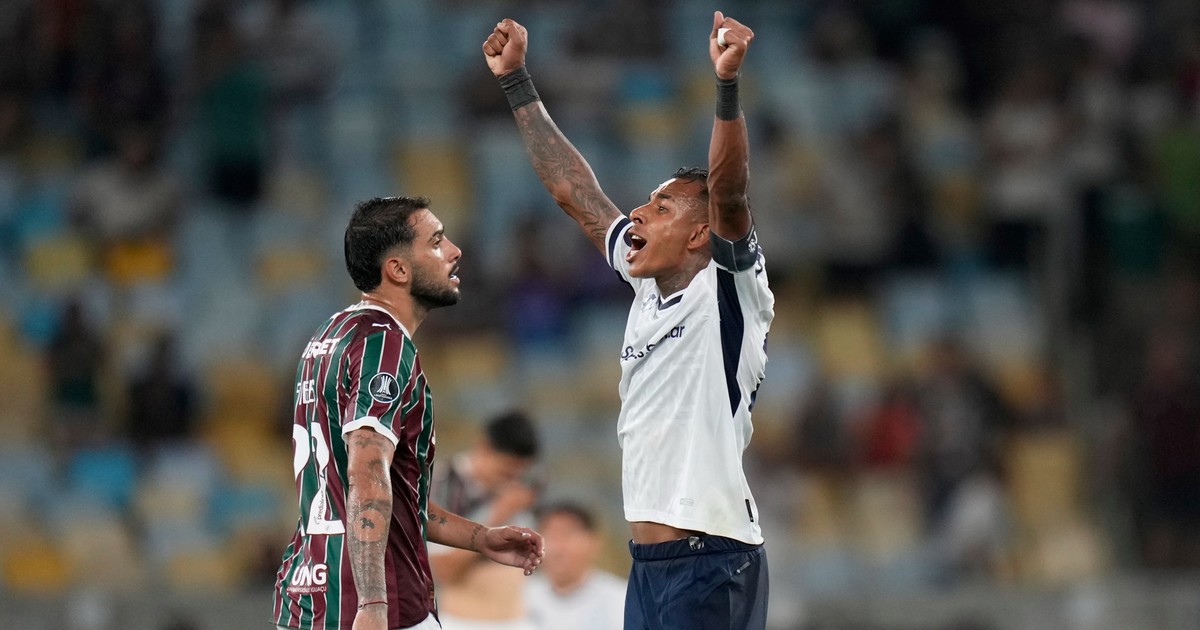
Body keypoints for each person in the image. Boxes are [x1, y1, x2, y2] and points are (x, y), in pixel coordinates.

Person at [483, 11, 771, 629]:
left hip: (712, 558)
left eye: (661, 207)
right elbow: (575, 193)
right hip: (650, 565)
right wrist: (516, 82)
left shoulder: (728, 292)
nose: (637, 212)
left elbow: (730, 195)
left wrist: (725, 86)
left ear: (700, 234)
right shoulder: (646, 289)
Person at [272, 197, 544, 630]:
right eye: (436, 242)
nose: (454, 251)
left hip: (310, 597)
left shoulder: (329, 336)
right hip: (379, 604)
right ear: (397, 269)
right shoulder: (385, 345)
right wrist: (373, 604)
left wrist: (481, 538)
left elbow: (394, 494)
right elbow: (367, 473)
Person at [428, 411, 542, 629]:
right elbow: (444, 570)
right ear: (484, 447)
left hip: (518, 619)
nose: (512, 479)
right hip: (461, 622)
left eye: (518, 472)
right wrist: (497, 516)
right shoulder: (444, 484)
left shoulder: (524, 486)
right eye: (505, 471)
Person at [523, 502, 626, 630]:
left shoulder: (622, 601)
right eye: (549, 535)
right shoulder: (519, 596)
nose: (557, 548)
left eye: (567, 534)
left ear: (593, 541)